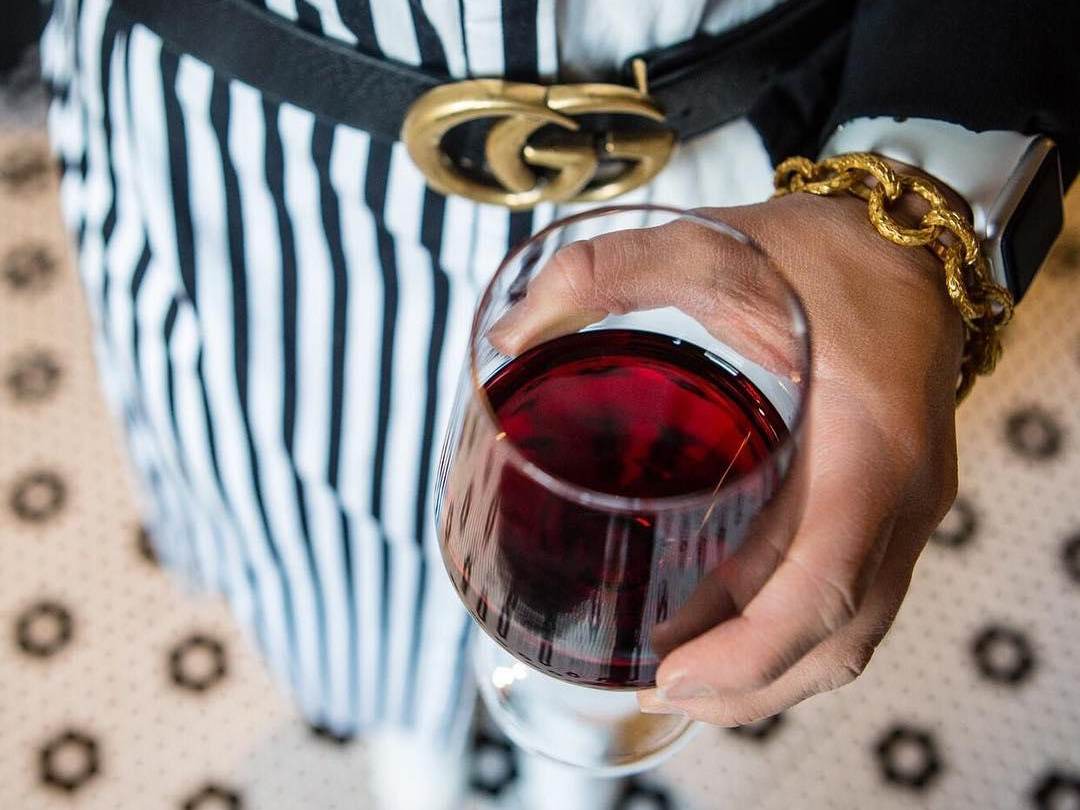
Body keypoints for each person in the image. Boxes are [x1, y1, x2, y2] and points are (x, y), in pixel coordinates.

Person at [31, 0, 1079, 807]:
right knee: (318, 544)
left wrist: (918, 203)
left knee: (682, 575)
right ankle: (406, 731)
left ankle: (580, 756)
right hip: (248, 165)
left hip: (753, 177)